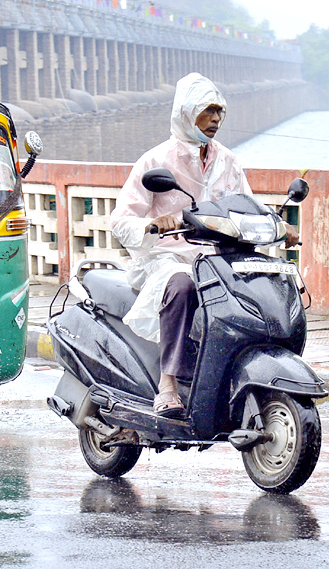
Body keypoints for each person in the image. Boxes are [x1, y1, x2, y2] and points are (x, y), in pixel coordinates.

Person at [110, 73, 299, 417]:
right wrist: (153, 224)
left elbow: (246, 205)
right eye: (207, 111)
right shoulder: (155, 161)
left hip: (217, 259)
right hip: (166, 259)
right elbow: (121, 220)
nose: (215, 119)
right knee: (183, 286)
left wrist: (279, 226)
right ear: (185, 112)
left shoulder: (228, 161)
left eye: (219, 112)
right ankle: (167, 384)